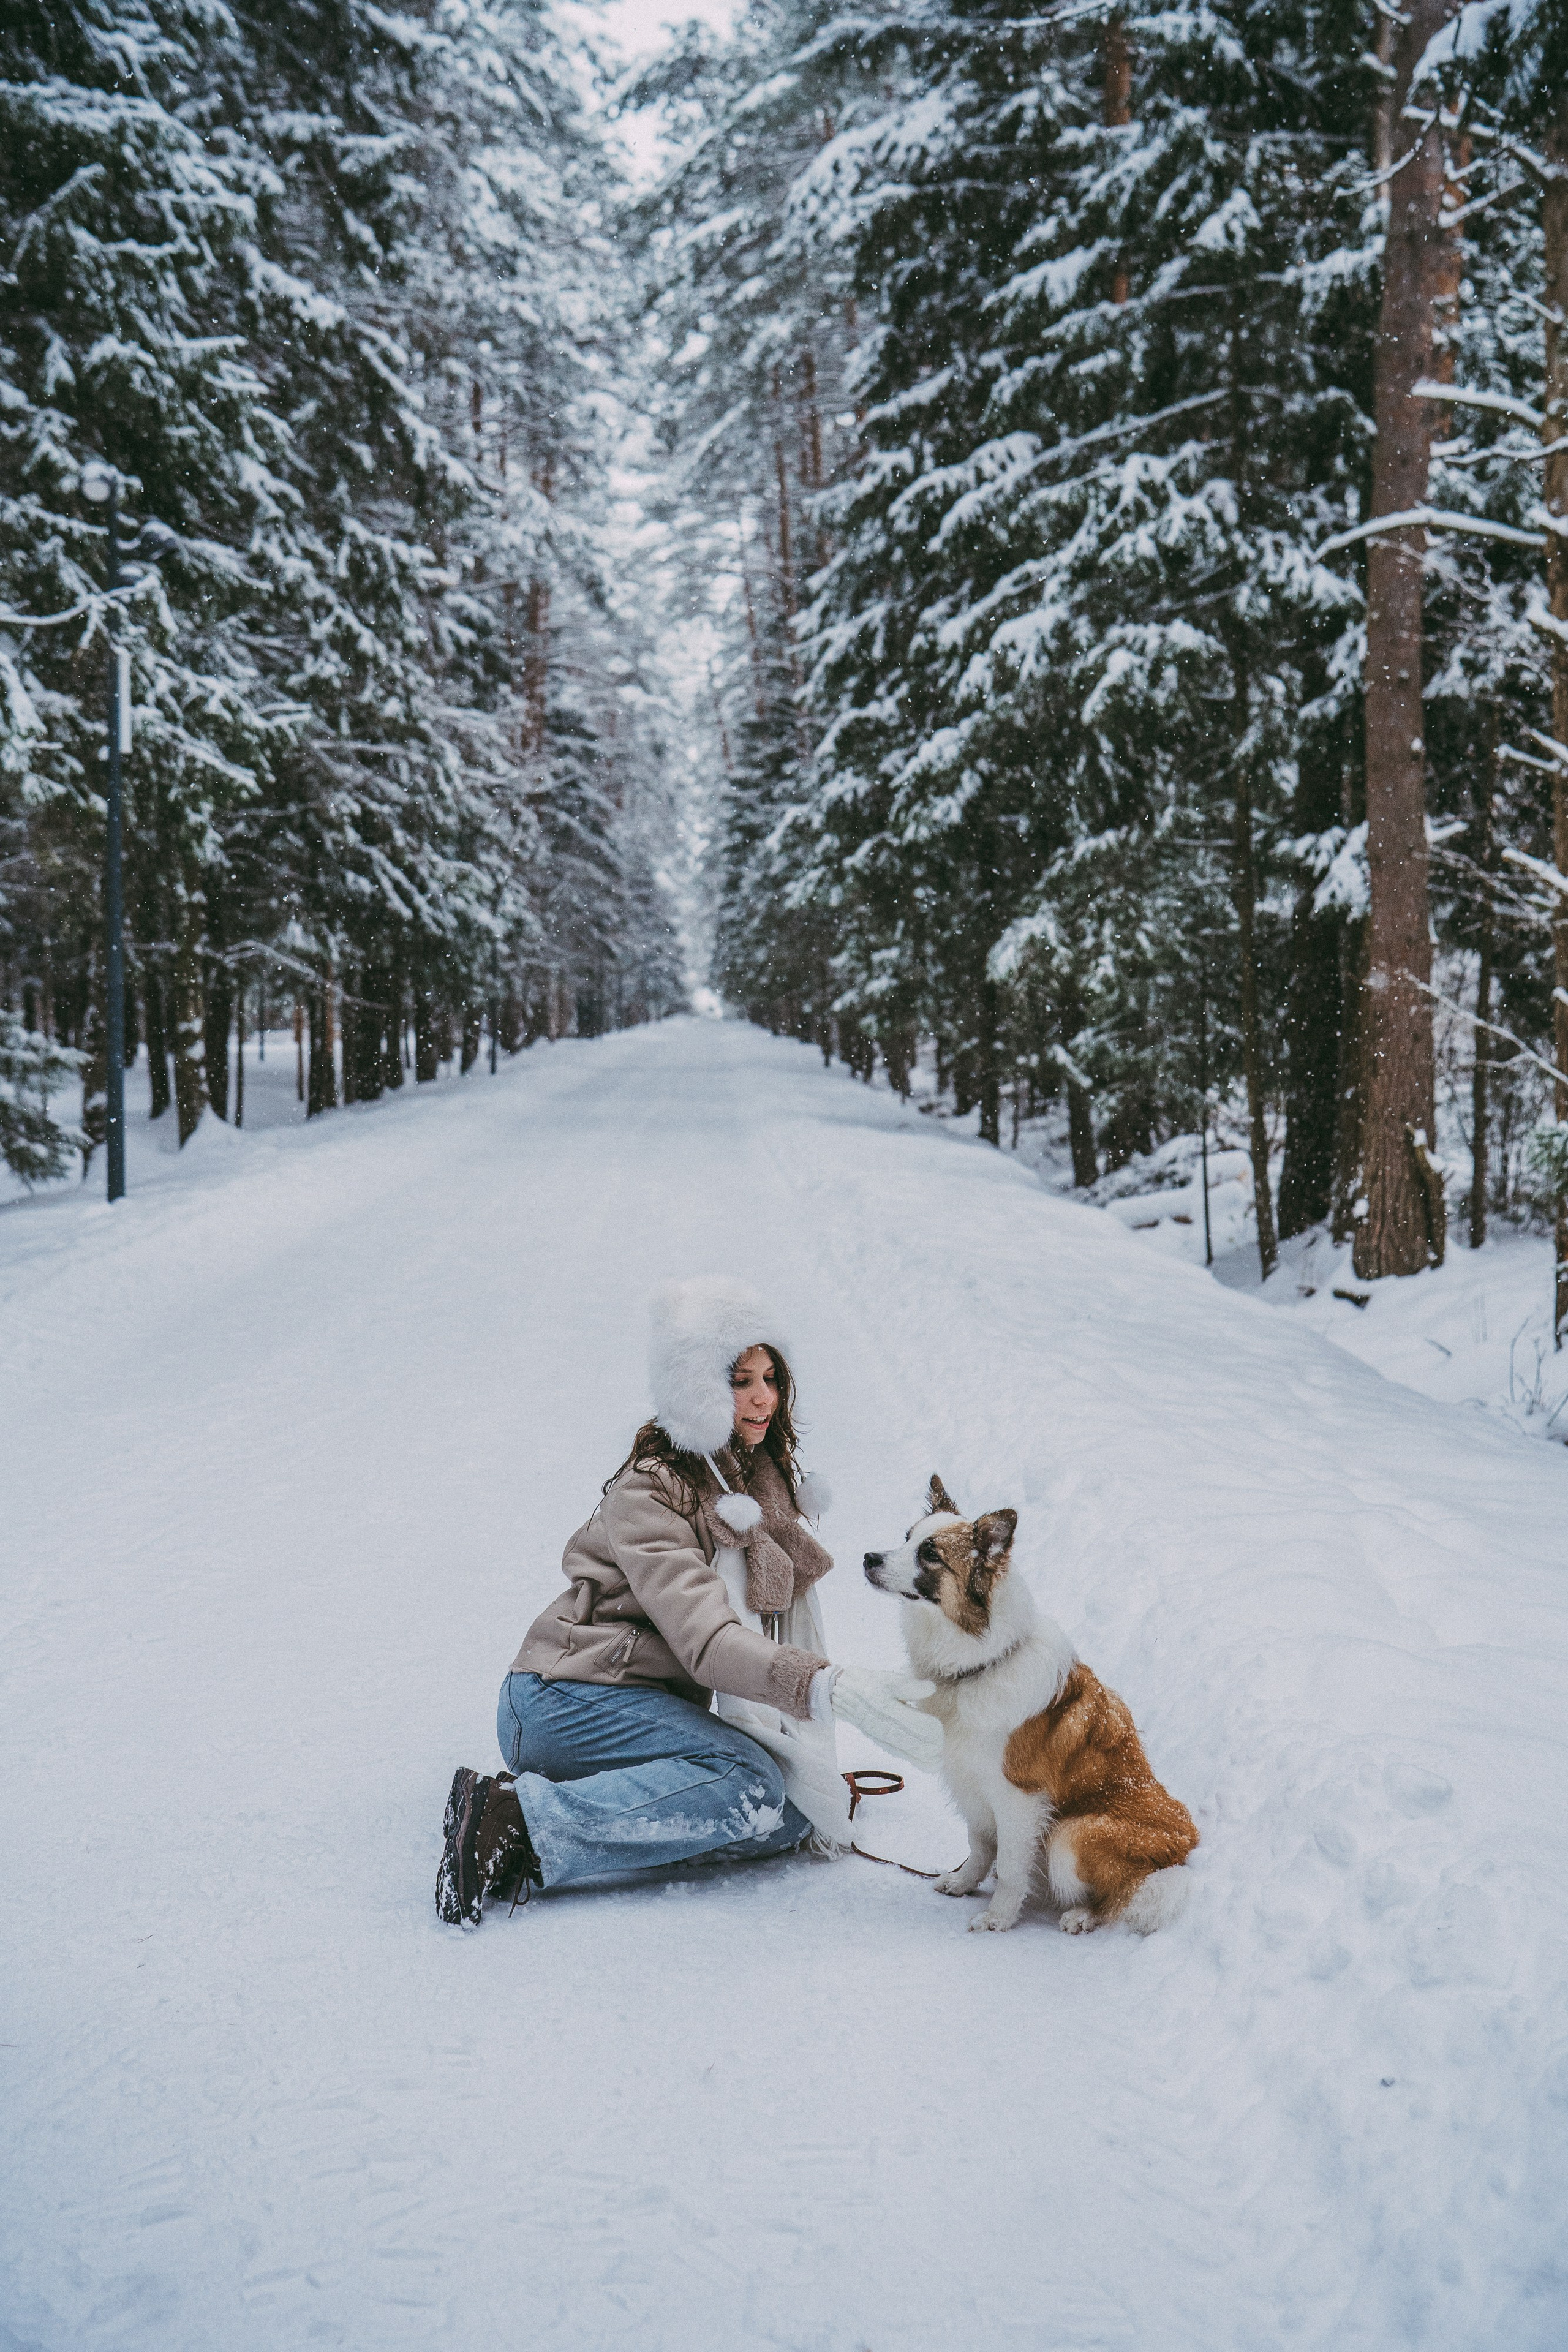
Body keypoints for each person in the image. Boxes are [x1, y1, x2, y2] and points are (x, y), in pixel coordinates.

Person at [436, 1277, 940, 1922]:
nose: (762, 1398)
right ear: (697, 1390)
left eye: (770, 1377)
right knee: (749, 1785)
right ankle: (512, 1824)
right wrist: (825, 1687)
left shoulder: (755, 1490)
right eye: (740, 1381)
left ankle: (597, 1812)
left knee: (789, 1813)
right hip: (562, 1698)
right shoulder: (651, 1492)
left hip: (642, 1705)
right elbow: (706, 1643)